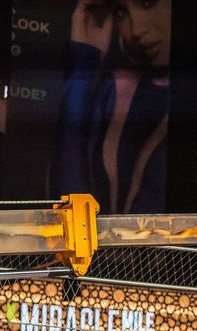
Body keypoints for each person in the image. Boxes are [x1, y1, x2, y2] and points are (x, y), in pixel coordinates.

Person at [55, 0, 171, 214]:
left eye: (148, 3)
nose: (136, 30)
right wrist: (84, 63)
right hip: (110, 238)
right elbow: (69, 196)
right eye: (120, 12)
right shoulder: (116, 90)